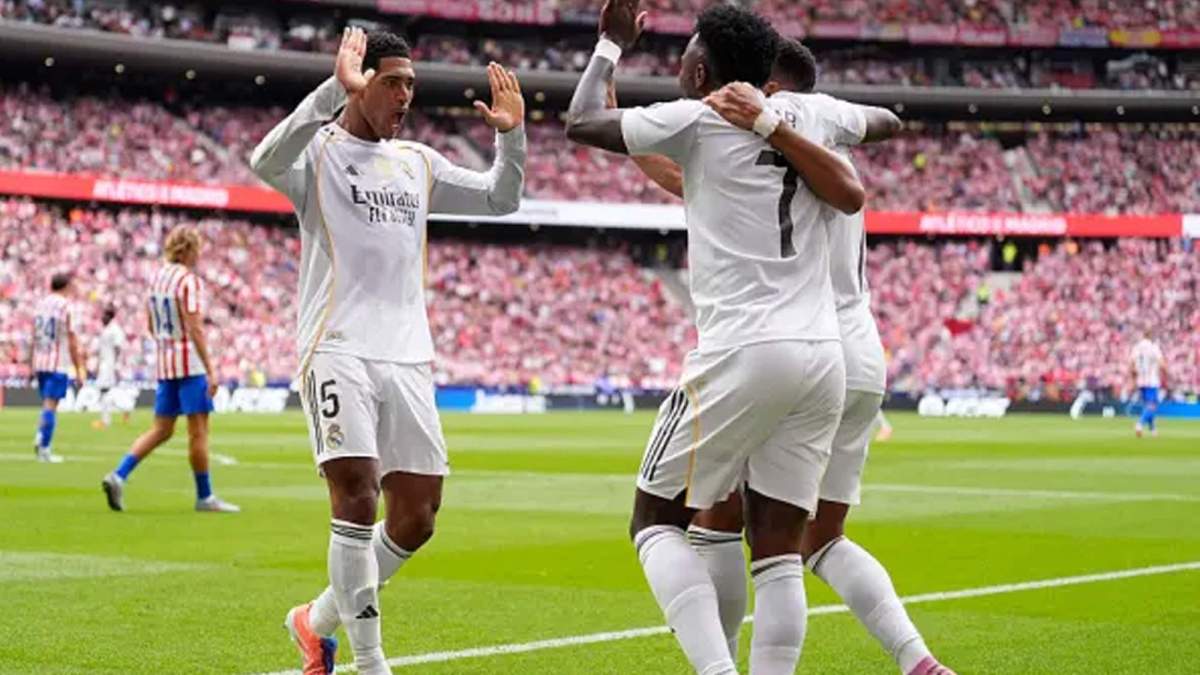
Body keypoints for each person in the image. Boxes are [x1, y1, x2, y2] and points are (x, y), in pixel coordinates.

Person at [629, 36, 953, 675]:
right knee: (818, 540)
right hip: (857, 353)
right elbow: (883, 124)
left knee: (719, 525)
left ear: (771, 89)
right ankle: (917, 659)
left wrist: (638, 128)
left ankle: (719, 664)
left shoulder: (772, 145)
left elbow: (700, 185)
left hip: (791, 344)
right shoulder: (826, 142)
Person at [567, 3, 867, 673]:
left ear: (702, 70)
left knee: (654, 521)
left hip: (744, 350)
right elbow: (883, 124)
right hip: (823, 358)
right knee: (779, 552)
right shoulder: (809, 117)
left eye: (686, 53)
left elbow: (580, 121)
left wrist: (611, 45)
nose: (679, 62)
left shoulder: (698, 118)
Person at [250, 27, 526, 675]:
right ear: (362, 81)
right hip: (336, 346)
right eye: (393, 82)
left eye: (411, 85)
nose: (405, 96)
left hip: (407, 353)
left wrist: (511, 137)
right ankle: (369, 662)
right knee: (356, 496)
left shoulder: (418, 162)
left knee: (418, 516)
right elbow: (264, 159)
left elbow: (502, 198)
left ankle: (314, 621)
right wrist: (331, 90)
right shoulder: (317, 152)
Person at [101, 226, 238, 514]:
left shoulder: (157, 277)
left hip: (165, 364)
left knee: (161, 429)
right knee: (198, 432)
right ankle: (205, 496)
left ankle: (119, 474)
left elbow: (151, 325)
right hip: (190, 365)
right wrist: (211, 369)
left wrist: (168, 346)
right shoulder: (188, 281)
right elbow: (195, 327)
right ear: (189, 250)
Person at [30, 272, 84, 463]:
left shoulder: (40, 304)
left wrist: (31, 362)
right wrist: (78, 367)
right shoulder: (66, 306)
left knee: (47, 403)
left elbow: (33, 334)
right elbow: (72, 338)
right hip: (57, 362)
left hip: (40, 360)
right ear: (66, 287)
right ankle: (44, 447)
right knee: (51, 405)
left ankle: (40, 436)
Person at [92, 306, 130, 429]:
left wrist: (115, 364)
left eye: (104, 315)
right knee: (105, 391)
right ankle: (125, 408)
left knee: (104, 391)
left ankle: (105, 421)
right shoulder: (106, 330)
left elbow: (117, 347)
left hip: (109, 364)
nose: (102, 318)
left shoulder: (115, 330)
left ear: (110, 317)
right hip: (104, 364)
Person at [1130, 331, 1166, 437]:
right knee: (1152, 405)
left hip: (1141, 381)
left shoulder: (1137, 347)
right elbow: (1161, 363)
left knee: (1148, 405)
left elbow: (1131, 364)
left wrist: (1133, 379)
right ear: (1151, 336)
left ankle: (1152, 429)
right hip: (1151, 381)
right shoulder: (1153, 347)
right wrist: (1167, 372)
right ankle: (1140, 423)